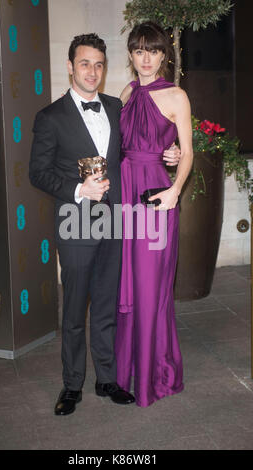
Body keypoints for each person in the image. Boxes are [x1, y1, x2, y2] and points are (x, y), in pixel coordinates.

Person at [29, 33, 180, 416]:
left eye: (98, 64)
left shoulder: (118, 105)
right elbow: (38, 174)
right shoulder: (49, 117)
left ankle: (107, 379)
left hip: (117, 221)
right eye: (84, 63)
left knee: (108, 306)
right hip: (76, 220)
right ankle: (72, 384)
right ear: (70, 66)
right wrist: (78, 188)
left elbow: (145, 145)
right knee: (75, 307)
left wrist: (171, 153)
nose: (92, 71)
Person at [115, 22, 193, 407]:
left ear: (164, 55)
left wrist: (174, 191)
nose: (146, 58)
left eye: (153, 51)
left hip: (154, 198)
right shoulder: (126, 92)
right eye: (139, 50)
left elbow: (187, 151)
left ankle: (153, 376)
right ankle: (127, 370)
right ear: (131, 56)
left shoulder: (177, 95)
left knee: (149, 288)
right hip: (124, 195)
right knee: (125, 285)